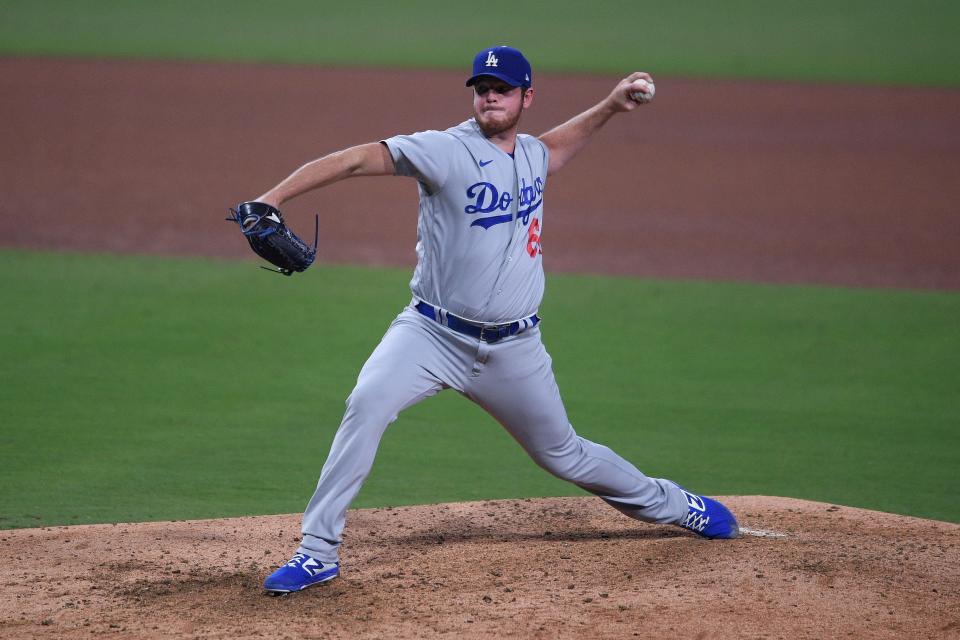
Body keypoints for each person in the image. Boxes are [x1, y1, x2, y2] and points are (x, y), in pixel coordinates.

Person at [255, 46, 738, 594]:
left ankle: (676, 504)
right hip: (430, 334)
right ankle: (317, 552)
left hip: (514, 349)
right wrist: (270, 198)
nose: (490, 96)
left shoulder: (531, 154)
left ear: (525, 97)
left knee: (565, 455)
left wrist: (609, 106)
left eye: (502, 89)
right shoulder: (444, 150)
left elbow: (554, 149)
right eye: (482, 87)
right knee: (366, 404)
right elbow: (356, 159)